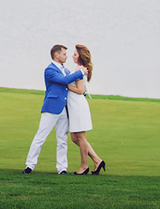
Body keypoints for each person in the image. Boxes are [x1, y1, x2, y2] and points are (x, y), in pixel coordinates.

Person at [23, 44, 87, 175]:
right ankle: (30, 165)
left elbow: (70, 85)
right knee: (40, 136)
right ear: (56, 55)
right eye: (64, 54)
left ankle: (62, 168)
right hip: (51, 108)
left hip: (63, 109)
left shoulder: (67, 71)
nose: (66, 56)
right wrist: (80, 72)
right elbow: (64, 81)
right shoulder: (50, 70)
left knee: (62, 139)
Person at [66, 44, 105, 175]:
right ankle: (97, 160)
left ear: (80, 57)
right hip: (74, 106)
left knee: (81, 138)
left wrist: (66, 85)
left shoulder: (80, 69)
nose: (72, 55)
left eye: (75, 54)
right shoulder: (79, 69)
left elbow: (80, 90)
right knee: (74, 138)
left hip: (78, 106)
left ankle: (84, 166)